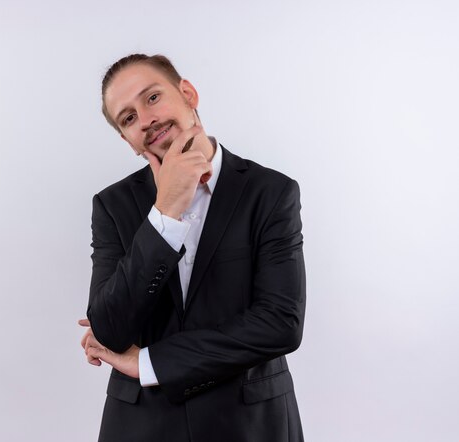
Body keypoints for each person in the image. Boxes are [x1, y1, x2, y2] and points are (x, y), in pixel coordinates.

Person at [79, 53, 306, 442]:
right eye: (128, 118)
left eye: (152, 98)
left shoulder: (270, 192)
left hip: (249, 423)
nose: (146, 119)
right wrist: (165, 213)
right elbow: (109, 329)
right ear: (127, 140)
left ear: (188, 93)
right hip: (141, 427)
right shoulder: (112, 205)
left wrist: (150, 362)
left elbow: (280, 324)